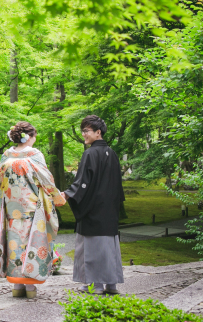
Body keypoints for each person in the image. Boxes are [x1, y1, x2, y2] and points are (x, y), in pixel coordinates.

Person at [0, 121, 66, 299]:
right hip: (31, 208)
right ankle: (31, 289)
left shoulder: (6, 156)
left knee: (14, 244)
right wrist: (57, 197)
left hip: (11, 207)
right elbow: (46, 179)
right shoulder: (34, 154)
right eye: (34, 137)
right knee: (31, 243)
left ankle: (17, 287)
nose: (34, 140)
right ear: (29, 137)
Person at [62, 115, 125, 295]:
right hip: (109, 208)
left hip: (92, 208)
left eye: (86, 131)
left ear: (98, 133)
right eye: (83, 131)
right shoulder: (112, 153)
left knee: (91, 246)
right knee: (110, 246)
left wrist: (68, 194)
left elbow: (83, 182)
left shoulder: (90, 153)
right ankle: (111, 284)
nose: (83, 134)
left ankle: (95, 284)